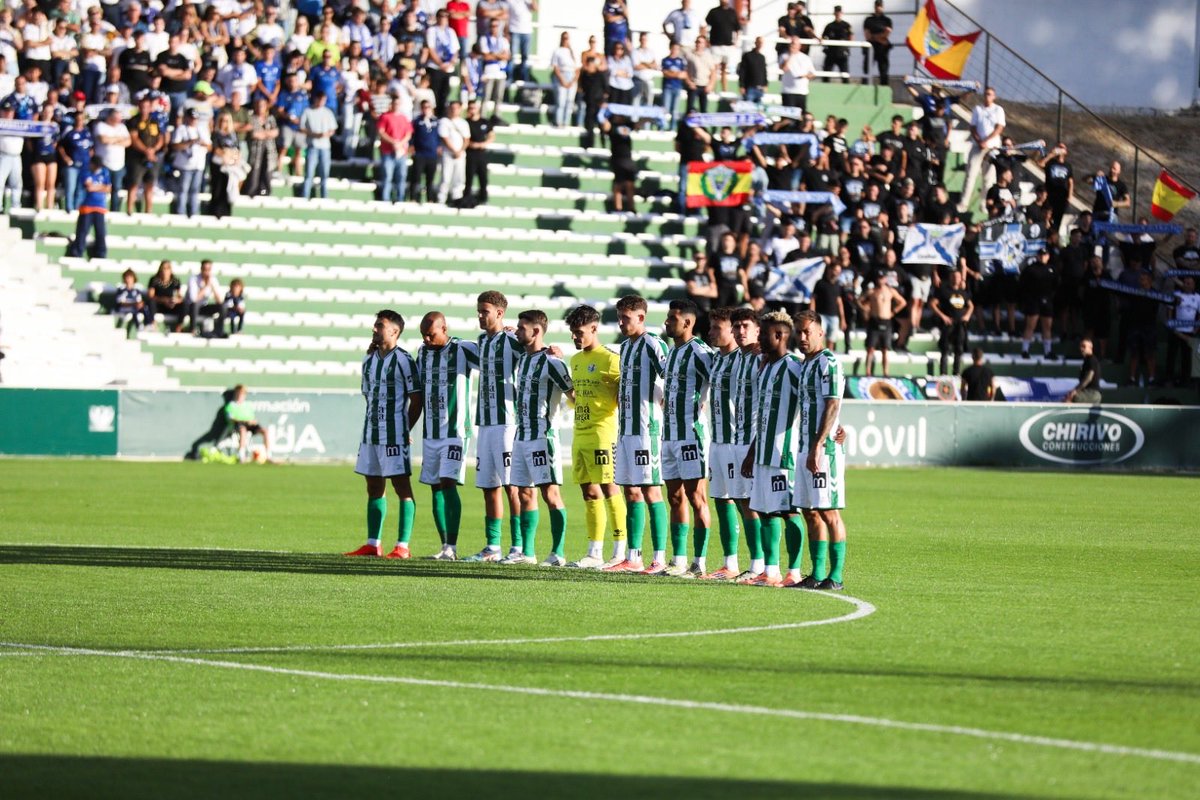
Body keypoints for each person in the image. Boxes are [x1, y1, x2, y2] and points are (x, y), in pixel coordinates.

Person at [344, 310, 423, 558]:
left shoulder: (404, 360)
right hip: (370, 435)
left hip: (394, 436)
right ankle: (373, 544)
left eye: (380, 325)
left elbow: (417, 400)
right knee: (373, 487)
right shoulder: (368, 360)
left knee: (402, 487)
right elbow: (368, 396)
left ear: (394, 331)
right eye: (375, 325)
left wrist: (404, 429)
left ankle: (402, 546)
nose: (374, 329)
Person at [603, 295, 670, 574]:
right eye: (619, 317)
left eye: (626, 318)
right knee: (630, 491)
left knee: (651, 491)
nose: (621, 322)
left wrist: (664, 401)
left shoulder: (653, 344)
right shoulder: (626, 347)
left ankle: (660, 558)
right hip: (625, 430)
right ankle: (633, 557)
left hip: (646, 430)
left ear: (641, 317)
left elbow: (670, 375)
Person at [738, 310, 805, 587]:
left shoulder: (794, 367)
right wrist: (752, 451)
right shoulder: (765, 368)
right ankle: (771, 570)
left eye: (764, 334)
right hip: (763, 454)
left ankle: (795, 572)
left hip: (784, 455)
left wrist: (838, 426)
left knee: (789, 511)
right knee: (765, 511)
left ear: (779, 335)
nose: (760, 340)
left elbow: (814, 401)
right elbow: (764, 416)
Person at [504, 309, 574, 566]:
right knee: (524, 492)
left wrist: (562, 411)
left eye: (522, 328)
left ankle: (558, 553)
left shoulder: (552, 362)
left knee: (550, 493)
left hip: (542, 437)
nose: (518, 331)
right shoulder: (524, 359)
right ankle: (528, 553)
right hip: (521, 436)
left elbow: (573, 394)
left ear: (536, 331)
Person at [461, 291, 524, 564]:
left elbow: (536, 350)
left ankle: (519, 546)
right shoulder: (482, 341)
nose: (480, 315)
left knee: (512, 486)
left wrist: (552, 350)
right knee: (489, 486)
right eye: (478, 311)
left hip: (507, 423)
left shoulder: (512, 340)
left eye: (484, 311)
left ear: (499, 313)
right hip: (484, 423)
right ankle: (492, 546)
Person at [565, 304, 626, 569]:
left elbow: (625, 395)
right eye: (572, 332)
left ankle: (620, 550)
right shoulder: (575, 360)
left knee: (610, 487)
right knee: (588, 492)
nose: (575, 337)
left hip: (603, 433)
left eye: (579, 332)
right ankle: (594, 553)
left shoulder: (611, 360)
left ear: (594, 328)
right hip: (580, 432)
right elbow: (577, 397)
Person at [415, 311, 479, 560]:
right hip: (430, 433)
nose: (426, 339)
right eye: (423, 335)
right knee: (435, 486)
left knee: (447, 482)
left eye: (430, 334)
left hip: (455, 431)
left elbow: (494, 361)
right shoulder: (422, 353)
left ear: (444, 329)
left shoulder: (463, 349)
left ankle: (452, 546)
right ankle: (444, 546)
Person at [658, 299, 713, 578]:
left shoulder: (700, 352)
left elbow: (719, 382)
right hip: (669, 435)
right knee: (674, 496)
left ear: (688, 322)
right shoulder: (671, 352)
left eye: (672, 318)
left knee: (696, 496)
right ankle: (678, 559)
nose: (667, 322)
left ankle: (699, 562)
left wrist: (704, 401)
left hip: (691, 434)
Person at [794, 310, 847, 591]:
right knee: (809, 510)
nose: (802, 337)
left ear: (820, 333)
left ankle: (835, 576)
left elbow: (833, 403)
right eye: (799, 332)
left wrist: (818, 444)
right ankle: (816, 573)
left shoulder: (829, 362)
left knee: (829, 512)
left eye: (807, 332)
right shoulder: (805, 364)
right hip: (805, 448)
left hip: (824, 451)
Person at [703, 308, 748, 581]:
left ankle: (760, 563)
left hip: (736, 442)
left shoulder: (744, 359)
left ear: (732, 330)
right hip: (717, 441)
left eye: (716, 328)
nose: (710, 333)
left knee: (744, 503)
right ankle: (729, 563)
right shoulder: (715, 359)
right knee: (721, 499)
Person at [958, 87, 1005, 215]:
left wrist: (987, 141)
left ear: (994, 96)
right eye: (985, 94)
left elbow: (999, 128)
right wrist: (979, 141)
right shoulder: (977, 109)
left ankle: (983, 203)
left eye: (990, 94)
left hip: (992, 147)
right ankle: (964, 202)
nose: (987, 96)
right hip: (977, 146)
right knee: (971, 174)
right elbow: (972, 127)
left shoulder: (998, 110)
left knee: (988, 178)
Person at [859, 275, 906, 376]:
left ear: (885, 279)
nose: (880, 280)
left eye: (882, 278)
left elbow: (902, 302)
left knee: (885, 349)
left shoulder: (890, 291)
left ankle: (885, 372)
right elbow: (859, 300)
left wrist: (894, 311)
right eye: (879, 278)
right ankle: (868, 371)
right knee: (870, 348)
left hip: (886, 321)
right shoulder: (872, 291)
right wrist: (865, 309)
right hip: (874, 320)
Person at [930, 269, 974, 375]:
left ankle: (956, 372)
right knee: (945, 349)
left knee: (959, 349)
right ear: (950, 278)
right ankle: (943, 373)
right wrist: (943, 316)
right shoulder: (943, 291)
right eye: (954, 276)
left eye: (958, 277)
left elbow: (971, 306)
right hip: (948, 324)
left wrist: (967, 316)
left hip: (960, 325)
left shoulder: (963, 292)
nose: (956, 279)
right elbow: (932, 304)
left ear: (961, 279)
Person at [125, 95, 164, 214]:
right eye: (142, 106)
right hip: (137, 157)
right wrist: (146, 151)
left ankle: (148, 211)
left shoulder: (154, 121)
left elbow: (160, 138)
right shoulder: (133, 121)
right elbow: (134, 138)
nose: (144, 109)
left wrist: (153, 150)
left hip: (152, 157)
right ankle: (129, 210)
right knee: (134, 184)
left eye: (147, 107)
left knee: (150, 185)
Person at [66, 156, 110, 259]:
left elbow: (108, 188)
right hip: (87, 207)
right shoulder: (85, 172)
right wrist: (102, 187)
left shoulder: (104, 172)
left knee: (100, 232)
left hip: (100, 207)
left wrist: (98, 187)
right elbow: (90, 187)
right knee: (82, 232)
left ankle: (101, 254)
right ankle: (77, 252)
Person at [1019, 249, 1058, 359]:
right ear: (1037, 256)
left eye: (1045, 255)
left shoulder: (1052, 269)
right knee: (1030, 325)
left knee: (1047, 326)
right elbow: (1023, 284)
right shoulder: (1030, 269)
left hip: (1047, 301)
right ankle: (1025, 350)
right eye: (1040, 255)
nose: (1042, 257)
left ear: (1048, 256)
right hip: (1033, 301)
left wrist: (1050, 297)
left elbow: (1056, 285)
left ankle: (1048, 351)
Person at [171, 108, 209, 217]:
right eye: (191, 118)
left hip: (198, 164)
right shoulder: (181, 129)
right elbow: (175, 145)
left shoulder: (202, 129)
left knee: (195, 190)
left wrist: (201, 142)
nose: (193, 120)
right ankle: (181, 212)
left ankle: (194, 213)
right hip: (185, 165)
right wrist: (189, 142)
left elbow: (210, 146)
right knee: (183, 189)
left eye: (195, 118)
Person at [300, 90, 337, 199]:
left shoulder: (328, 112)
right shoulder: (307, 111)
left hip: (325, 148)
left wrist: (327, 134)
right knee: (309, 174)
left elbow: (333, 129)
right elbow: (302, 128)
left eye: (323, 100)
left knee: (324, 175)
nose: (321, 102)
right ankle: (305, 197)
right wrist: (315, 134)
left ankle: (324, 198)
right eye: (319, 99)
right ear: (315, 99)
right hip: (312, 147)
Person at [376, 94, 412, 203]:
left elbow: (408, 133)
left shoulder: (403, 118)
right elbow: (381, 132)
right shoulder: (385, 117)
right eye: (394, 103)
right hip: (387, 151)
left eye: (398, 104)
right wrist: (393, 142)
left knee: (401, 176)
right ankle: (385, 198)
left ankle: (400, 198)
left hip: (401, 152)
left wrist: (400, 143)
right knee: (387, 175)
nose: (396, 106)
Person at [207, 112, 242, 218]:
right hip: (219, 165)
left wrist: (233, 157)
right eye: (222, 120)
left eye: (226, 121)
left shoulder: (233, 135)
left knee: (228, 189)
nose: (224, 123)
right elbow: (215, 148)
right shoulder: (216, 134)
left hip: (230, 166)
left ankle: (226, 212)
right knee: (217, 188)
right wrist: (225, 154)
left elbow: (237, 148)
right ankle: (215, 212)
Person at [600, 110, 636, 214]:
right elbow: (605, 126)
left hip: (628, 159)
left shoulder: (628, 125)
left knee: (630, 184)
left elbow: (638, 124)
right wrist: (604, 113)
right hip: (617, 159)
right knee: (618, 184)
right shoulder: (612, 126)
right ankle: (618, 208)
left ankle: (631, 207)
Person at [424, 9, 458, 116]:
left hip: (448, 67)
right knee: (435, 94)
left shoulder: (451, 31)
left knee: (445, 94)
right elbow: (431, 49)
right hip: (435, 67)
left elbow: (455, 50)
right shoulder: (432, 30)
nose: (443, 18)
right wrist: (440, 64)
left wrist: (451, 63)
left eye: (446, 16)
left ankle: (442, 115)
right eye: (441, 16)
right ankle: (434, 116)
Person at [58, 109, 93, 213]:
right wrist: (65, 158)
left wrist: (89, 158)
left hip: (85, 165)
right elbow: (60, 146)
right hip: (72, 165)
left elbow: (91, 147)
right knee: (70, 188)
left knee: (81, 189)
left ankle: (78, 210)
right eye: (78, 119)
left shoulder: (87, 133)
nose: (80, 121)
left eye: (82, 119)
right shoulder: (69, 132)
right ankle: (69, 209)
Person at [437, 99, 469, 206]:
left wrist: (460, 151)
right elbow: (445, 138)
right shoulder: (444, 122)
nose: (454, 110)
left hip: (460, 154)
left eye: (456, 108)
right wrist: (454, 150)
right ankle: (441, 199)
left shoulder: (463, 123)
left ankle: (457, 199)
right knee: (445, 178)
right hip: (448, 154)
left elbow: (466, 139)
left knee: (459, 178)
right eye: (452, 108)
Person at [244, 96, 277, 197]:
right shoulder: (251, 118)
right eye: (258, 105)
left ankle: (265, 192)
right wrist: (267, 133)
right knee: (254, 173)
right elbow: (254, 134)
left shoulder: (270, 118)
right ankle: (251, 193)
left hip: (269, 151)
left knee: (267, 172)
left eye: (262, 106)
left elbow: (275, 132)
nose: (260, 108)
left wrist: (263, 133)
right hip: (255, 151)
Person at [705, 0, 740, 94]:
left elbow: (737, 28)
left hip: (728, 46)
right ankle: (712, 89)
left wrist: (736, 41)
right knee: (714, 68)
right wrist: (707, 40)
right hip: (715, 45)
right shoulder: (713, 12)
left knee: (724, 69)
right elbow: (706, 26)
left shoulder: (732, 12)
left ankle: (724, 90)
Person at [408, 99, 440, 203]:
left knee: (430, 179)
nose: (426, 109)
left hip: (432, 154)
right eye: (424, 107)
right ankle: (413, 198)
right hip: (420, 153)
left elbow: (440, 136)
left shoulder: (436, 121)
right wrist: (411, 146)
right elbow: (411, 135)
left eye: (428, 107)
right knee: (416, 177)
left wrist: (439, 146)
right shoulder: (417, 121)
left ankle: (430, 199)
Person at [29, 102, 59, 211]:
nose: (47, 114)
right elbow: (30, 142)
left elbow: (55, 142)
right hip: (39, 156)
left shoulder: (54, 126)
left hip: (51, 156)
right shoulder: (37, 125)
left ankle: (50, 207)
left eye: (50, 112)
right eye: (46, 111)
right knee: (40, 183)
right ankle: (39, 206)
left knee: (51, 184)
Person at [478, 18, 509, 123]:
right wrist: (499, 55)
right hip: (489, 72)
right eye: (492, 26)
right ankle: (482, 117)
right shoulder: (484, 39)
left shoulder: (503, 40)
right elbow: (486, 56)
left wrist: (493, 54)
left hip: (500, 72)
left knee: (498, 97)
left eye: (496, 26)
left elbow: (507, 56)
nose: (494, 28)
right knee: (486, 96)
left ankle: (496, 116)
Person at [464, 98, 493, 204]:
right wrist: (471, 144)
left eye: (474, 108)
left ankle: (483, 198)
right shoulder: (466, 122)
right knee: (469, 177)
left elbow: (491, 135)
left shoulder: (484, 122)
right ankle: (466, 197)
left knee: (483, 177)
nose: (472, 110)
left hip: (481, 153)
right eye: (470, 108)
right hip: (470, 153)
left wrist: (482, 144)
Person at [184, 260, 224, 335]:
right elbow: (194, 299)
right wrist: (206, 286)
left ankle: (219, 331)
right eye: (205, 269)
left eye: (209, 269)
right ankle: (192, 329)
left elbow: (220, 301)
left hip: (203, 307)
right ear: (201, 269)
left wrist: (213, 287)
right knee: (195, 305)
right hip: (191, 308)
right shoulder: (193, 279)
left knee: (223, 307)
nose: (207, 272)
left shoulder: (213, 279)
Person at [779, 36, 815, 111]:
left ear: (799, 46)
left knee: (801, 114)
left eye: (794, 44)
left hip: (802, 91)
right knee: (788, 115)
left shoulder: (806, 58)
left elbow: (813, 74)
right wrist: (791, 55)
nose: (792, 45)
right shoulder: (784, 56)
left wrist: (805, 76)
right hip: (788, 91)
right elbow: (784, 68)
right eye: (791, 43)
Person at [550, 32, 577, 128]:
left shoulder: (572, 52)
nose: (566, 40)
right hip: (561, 75)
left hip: (572, 76)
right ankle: (558, 121)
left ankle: (566, 122)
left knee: (569, 101)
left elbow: (577, 68)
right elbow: (555, 67)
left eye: (567, 38)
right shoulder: (557, 51)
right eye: (564, 38)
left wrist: (573, 80)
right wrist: (562, 79)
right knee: (561, 101)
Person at [147, 260, 184, 330]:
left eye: (167, 268)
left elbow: (179, 296)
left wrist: (175, 301)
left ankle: (179, 327)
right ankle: (153, 323)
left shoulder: (175, 281)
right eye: (164, 268)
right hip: (159, 305)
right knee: (151, 302)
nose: (165, 271)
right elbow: (151, 296)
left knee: (184, 304)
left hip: (171, 306)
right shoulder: (154, 280)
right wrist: (164, 300)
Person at [862, 0, 892, 86]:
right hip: (871, 47)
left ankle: (884, 88)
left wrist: (874, 36)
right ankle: (865, 87)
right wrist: (880, 37)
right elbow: (867, 35)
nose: (878, 8)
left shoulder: (887, 20)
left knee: (883, 70)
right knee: (866, 69)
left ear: (882, 7)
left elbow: (887, 33)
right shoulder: (869, 20)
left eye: (880, 6)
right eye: (877, 6)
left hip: (882, 49)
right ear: (874, 7)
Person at [1064, 338, 1102, 404]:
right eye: (1081, 346)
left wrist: (1076, 391)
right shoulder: (1086, 361)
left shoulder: (1092, 359)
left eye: (1084, 346)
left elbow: (1088, 378)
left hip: (1093, 393)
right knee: (1068, 397)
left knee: (1072, 398)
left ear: (1090, 347)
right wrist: (1073, 391)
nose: (1081, 349)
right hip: (1087, 392)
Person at [683, 35, 715, 114]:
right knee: (690, 109)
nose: (699, 44)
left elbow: (713, 72)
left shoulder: (708, 56)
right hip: (694, 85)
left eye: (701, 42)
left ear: (705, 44)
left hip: (704, 85)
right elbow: (685, 70)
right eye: (697, 42)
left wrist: (710, 85)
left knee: (704, 110)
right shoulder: (689, 55)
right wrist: (689, 82)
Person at [821, 5, 852, 83]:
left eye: (839, 12)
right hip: (831, 52)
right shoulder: (829, 26)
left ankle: (846, 88)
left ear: (842, 13)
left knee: (845, 75)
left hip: (842, 53)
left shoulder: (846, 25)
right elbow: (823, 37)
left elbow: (851, 37)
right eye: (836, 12)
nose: (838, 14)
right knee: (826, 74)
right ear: (834, 13)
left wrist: (847, 46)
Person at [659, 42, 686, 130]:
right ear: (670, 48)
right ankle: (663, 127)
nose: (675, 51)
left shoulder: (681, 61)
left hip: (677, 87)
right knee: (665, 108)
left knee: (675, 110)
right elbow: (665, 73)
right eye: (673, 48)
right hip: (668, 87)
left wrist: (672, 73)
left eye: (677, 49)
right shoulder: (665, 60)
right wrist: (677, 74)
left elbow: (684, 74)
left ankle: (672, 128)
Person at [112, 268, 146, 332]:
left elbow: (139, 301)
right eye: (127, 277)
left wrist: (140, 304)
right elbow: (121, 303)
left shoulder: (136, 290)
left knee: (145, 309)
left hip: (134, 308)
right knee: (134, 311)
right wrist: (133, 304)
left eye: (130, 277)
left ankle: (148, 325)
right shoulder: (121, 290)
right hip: (122, 309)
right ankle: (139, 327)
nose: (128, 279)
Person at [737, 36, 768, 105]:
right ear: (755, 43)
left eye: (761, 43)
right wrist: (741, 86)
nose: (760, 44)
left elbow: (764, 72)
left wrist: (765, 84)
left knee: (758, 109)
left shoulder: (762, 57)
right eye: (759, 42)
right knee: (748, 108)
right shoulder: (747, 56)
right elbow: (742, 71)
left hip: (760, 89)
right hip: (749, 88)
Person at [630, 31, 657, 110]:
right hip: (638, 80)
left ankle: (646, 118)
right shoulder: (635, 51)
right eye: (642, 39)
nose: (643, 41)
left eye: (645, 39)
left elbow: (655, 65)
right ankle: (634, 117)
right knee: (636, 101)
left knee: (649, 102)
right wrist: (649, 65)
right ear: (639, 40)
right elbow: (636, 66)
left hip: (649, 80)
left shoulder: (651, 52)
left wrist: (643, 63)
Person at [606, 40, 634, 105]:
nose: (619, 50)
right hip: (615, 87)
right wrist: (624, 72)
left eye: (621, 48)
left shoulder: (626, 59)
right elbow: (612, 71)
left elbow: (630, 73)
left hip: (627, 87)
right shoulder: (610, 59)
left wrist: (619, 72)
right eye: (617, 48)